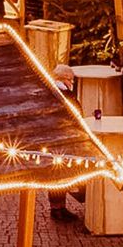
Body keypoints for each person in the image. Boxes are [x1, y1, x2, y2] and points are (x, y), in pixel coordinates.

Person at [48, 64, 83, 221]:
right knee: (59, 174)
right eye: (71, 79)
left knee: (59, 173)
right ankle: (57, 208)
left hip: (58, 138)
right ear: (64, 79)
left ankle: (59, 206)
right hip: (61, 139)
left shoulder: (56, 91)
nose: (72, 82)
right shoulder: (62, 94)